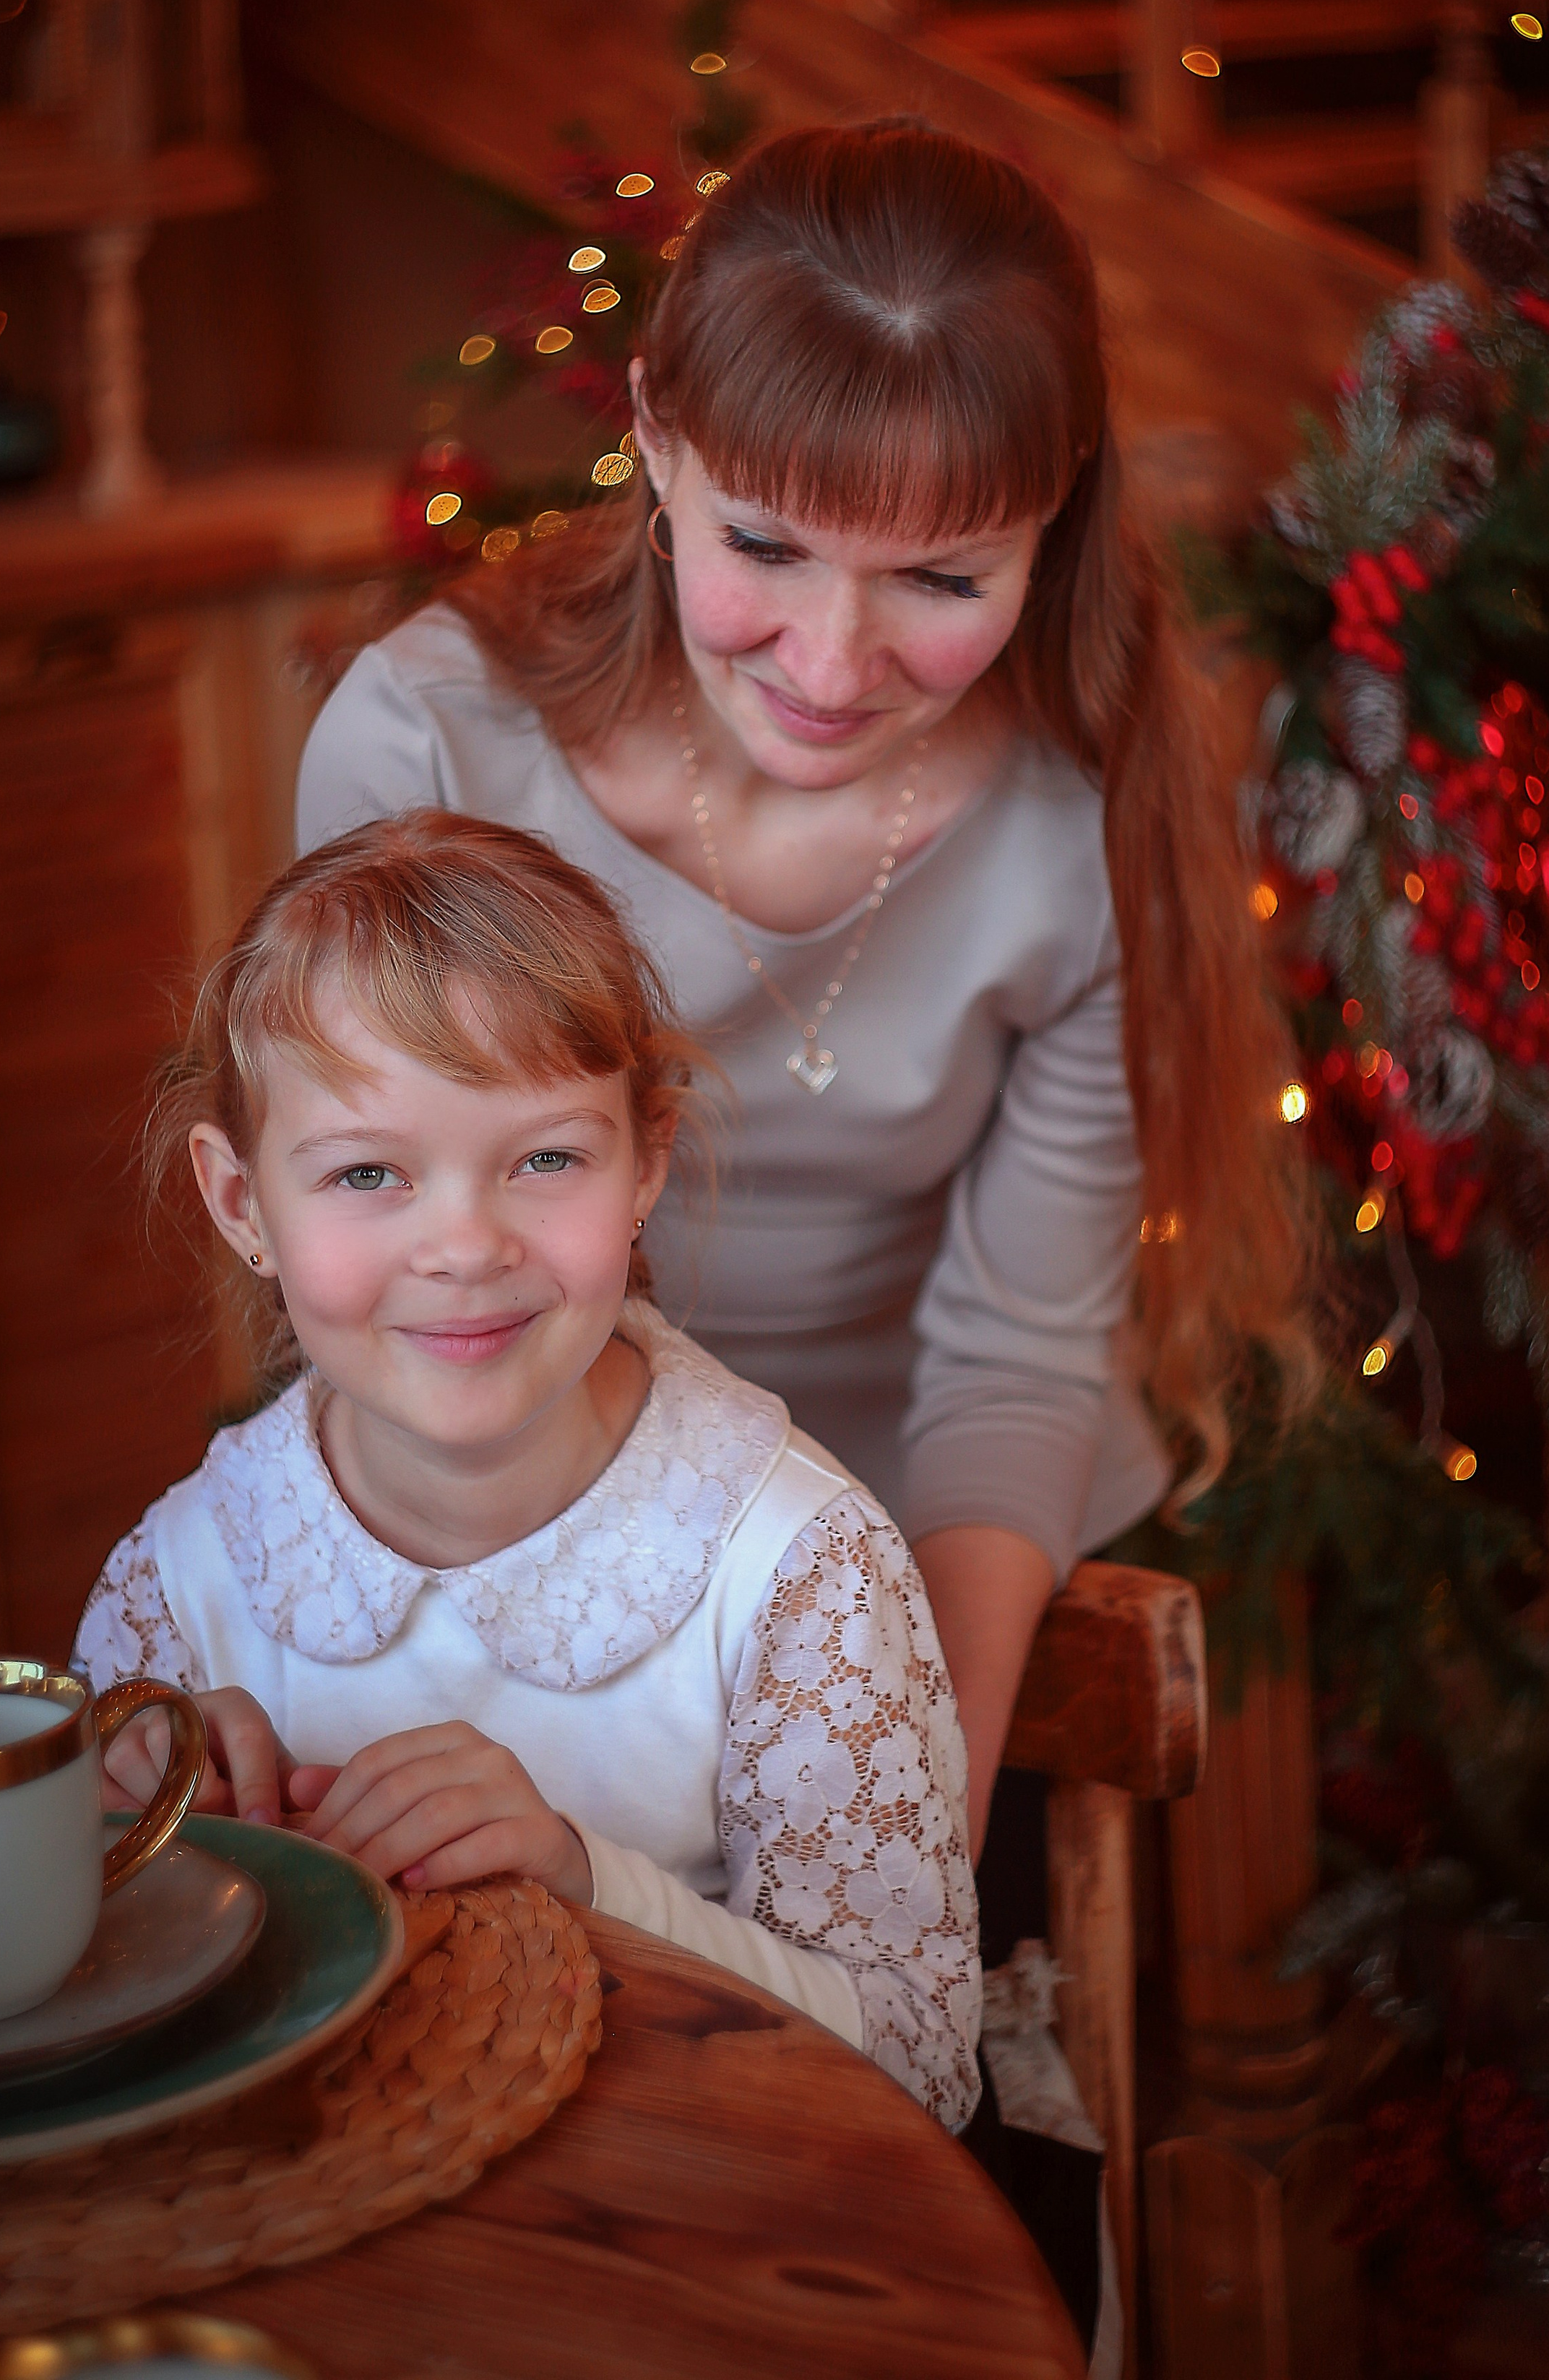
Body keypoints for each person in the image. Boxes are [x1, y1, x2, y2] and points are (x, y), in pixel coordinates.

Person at [296, 121, 1310, 1854]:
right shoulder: (425, 747)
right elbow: (391, 1286)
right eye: (762, 548)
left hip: (949, 1587)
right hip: (516, 1554)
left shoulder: (1088, 818)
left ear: (1050, 515)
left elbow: (1011, 1367)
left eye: (937, 579)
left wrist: (894, 1812)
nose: (833, 669)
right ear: (653, 438)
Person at [76, 811, 980, 2130]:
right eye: (370, 1172)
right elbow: (92, 2032)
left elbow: (920, 2071)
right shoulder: (182, 1585)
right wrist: (156, 1854)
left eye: (545, 1158)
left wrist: (588, 1881)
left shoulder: (793, 1570)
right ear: (241, 1204)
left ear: (644, 1165)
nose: (465, 1245)